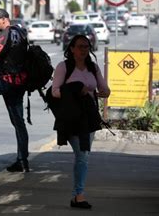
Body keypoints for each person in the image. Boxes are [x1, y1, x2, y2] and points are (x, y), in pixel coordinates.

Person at [51, 34, 111, 209]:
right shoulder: (64, 67)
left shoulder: (93, 67)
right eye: (80, 46)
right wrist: (76, 89)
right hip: (70, 117)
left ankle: (76, 195)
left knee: (83, 156)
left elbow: (104, 88)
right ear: (72, 49)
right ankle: (79, 195)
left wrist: (104, 92)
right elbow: (55, 91)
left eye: (86, 46)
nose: (84, 50)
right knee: (82, 155)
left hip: (88, 118)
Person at [0, 8, 30, 172]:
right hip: (20, 83)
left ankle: (22, 160)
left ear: (3, 19)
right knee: (19, 123)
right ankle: (22, 160)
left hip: (7, 81)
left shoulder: (6, 33)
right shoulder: (21, 32)